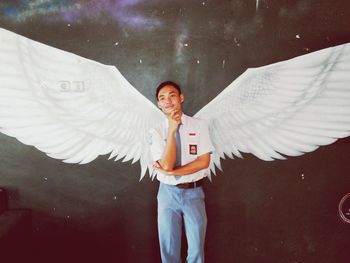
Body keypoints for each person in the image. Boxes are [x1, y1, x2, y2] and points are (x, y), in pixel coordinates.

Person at [148, 81, 214, 263]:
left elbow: (204, 162)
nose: (167, 100)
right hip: (167, 194)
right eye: (162, 98)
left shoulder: (199, 125)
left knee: (196, 249)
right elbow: (167, 167)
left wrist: (171, 172)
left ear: (181, 98)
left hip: (194, 193)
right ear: (159, 105)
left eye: (171, 95)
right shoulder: (155, 131)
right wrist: (171, 130)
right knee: (168, 248)